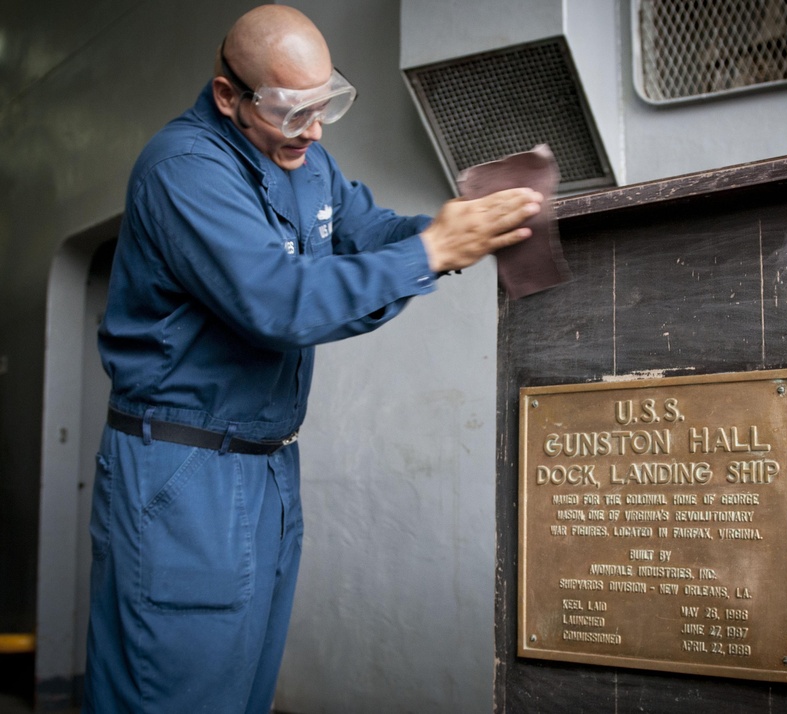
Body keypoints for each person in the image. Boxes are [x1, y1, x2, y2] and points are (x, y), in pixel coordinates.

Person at [82, 5, 541, 712]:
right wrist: (432, 253)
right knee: (176, 692)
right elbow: (280, 304)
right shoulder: (183, 169)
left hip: (266, 464)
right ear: (228, 95)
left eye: (327, 106)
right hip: (185, 473)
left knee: (242, 692)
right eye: (293, 111)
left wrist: (460, 230)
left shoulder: (308, 161)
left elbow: (371, 232)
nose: (316, 130)